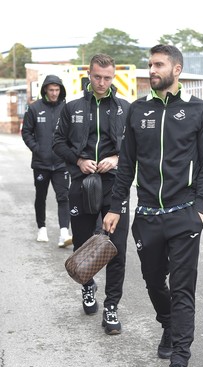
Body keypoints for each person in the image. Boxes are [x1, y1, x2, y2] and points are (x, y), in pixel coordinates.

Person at [103, 44, 203, 367]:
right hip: (148, 215)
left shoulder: (199, 110)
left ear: (177, 69)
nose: (150, 70)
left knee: (183, 289)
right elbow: (126, 165)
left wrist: (199, 207)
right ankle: (167, 323)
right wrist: (114, 205)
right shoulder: (137, 111)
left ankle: (180, 360)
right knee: (154, 282)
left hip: (184, 215)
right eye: (149, 64)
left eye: (157, 64)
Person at [53, 54, 130, 335]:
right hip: (81, 184)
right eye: (97, 77)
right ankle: (88, 286)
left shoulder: (125, 108)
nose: (102, 82)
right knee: (83, 244)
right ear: (89, 74)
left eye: (108, 77)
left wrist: (118, 159)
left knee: (117, 247)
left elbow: (136, 148)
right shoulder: (72, 107)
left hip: (115, 185)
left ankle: (111, 307)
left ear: (113, 77)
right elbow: (57, 142)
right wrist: (78, 160)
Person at [22, 75, 72, 248]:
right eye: (51, 90)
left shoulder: (66, 108)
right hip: (41, 163)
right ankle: (41, 228)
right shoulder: (34, 108)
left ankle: (64, 232)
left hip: (61, 163)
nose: (54, 93)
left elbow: (73, 132)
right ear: (45, 90)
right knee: (40, 196)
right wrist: (37, 149)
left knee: (63, 197)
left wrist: (68, 152)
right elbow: (26, 132)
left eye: (57, 90)